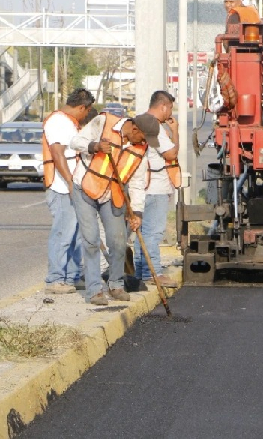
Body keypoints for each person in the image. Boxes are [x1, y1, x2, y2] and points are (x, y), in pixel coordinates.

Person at [70, 111, 160, 306]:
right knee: (91, 240)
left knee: (118, 241)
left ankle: (116, 284)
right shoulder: (103, 122)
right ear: (135, 129)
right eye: (144, 137)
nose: (144, 142)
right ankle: (94, 290)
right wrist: (94, 146)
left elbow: (137, 183)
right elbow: (75, 142)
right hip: (85, 188)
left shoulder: (141, 150)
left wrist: (136, 212)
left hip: (112, 195)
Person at [41, 88, 95, 294]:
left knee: (76, 235)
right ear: (82, 107)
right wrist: (70, 182)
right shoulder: (58, 121)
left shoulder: (68, 122)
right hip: (62, 187)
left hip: (74, 185)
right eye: (86, 111)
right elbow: (58, 154)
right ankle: (55, 279)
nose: (86, 115)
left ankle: (71, 276)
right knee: (63, 233)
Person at [134, 90, 181, 287]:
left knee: (142, 232)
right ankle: (154, 273)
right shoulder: (156, 127)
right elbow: (170, 153)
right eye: (170, 108)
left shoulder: (140, 122)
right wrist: (176, 132)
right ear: (163, 106)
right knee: (153, 233)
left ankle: (143, 272)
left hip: (141, 186)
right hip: (155, 187)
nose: (170, 113)